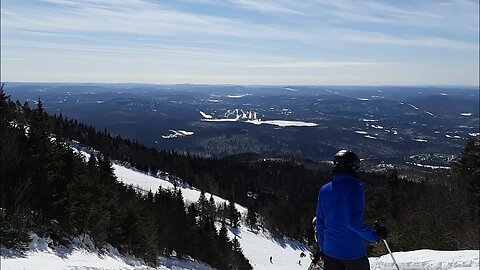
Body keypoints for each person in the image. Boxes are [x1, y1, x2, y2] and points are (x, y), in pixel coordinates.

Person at [313, 150, 387, 270]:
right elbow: (353, 222)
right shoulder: (356, 188)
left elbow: (320, 222)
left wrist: (323, 247)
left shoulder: (324, 189)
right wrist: (375, 236)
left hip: (329, 251)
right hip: (353, 252)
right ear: (354, 166)